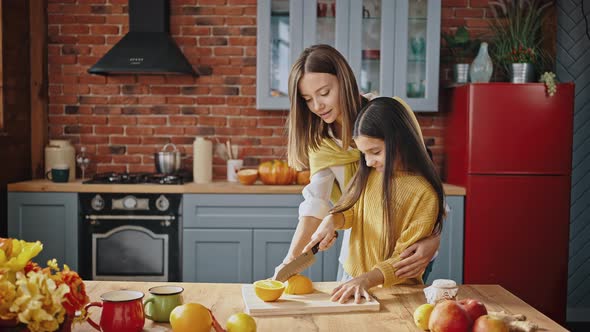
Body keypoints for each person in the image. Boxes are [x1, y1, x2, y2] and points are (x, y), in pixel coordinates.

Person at [275, 44, 440, 281]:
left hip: (410, 251)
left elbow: (426, 182)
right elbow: (316, 203)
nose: (317, 106)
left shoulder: (389, 112)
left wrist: (433, 238)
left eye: (324, 93)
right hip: (361, 252)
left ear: (344, 81)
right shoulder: (322, 143)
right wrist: (290, 261)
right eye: (308, 99)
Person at [301, 97, 446, 303]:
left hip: (395, 291)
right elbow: (353, 212)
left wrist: (366, 280)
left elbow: (404, 260)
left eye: (375, 152)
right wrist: (332, 220)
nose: (368, 161)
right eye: (364, 154)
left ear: (400, 140)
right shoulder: (369, 174)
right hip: (356, 279)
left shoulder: (423, 193)